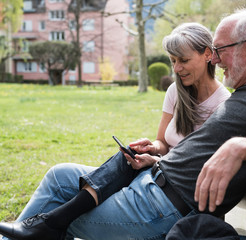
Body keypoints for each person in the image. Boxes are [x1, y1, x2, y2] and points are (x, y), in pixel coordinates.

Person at [0, 9, 246, 240]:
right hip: (149, 185)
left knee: (57, 217)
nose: (216, 60)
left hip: (159, 209)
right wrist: (156, 158)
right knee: (59, 177)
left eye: (221, 50)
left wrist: (243, 147)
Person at [0, 23, 230, 240]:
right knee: (58, 176)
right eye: (173, 61)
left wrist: (157, 160)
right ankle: (26, 230)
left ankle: (34, 229)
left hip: (168, 202)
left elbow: (199, 172)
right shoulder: (176, 91)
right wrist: (153, 148)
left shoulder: (224, 107)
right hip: (150, 179)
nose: (177, 68)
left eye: (184, 60)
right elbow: (164, 142)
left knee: (59, 216)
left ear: (208, 54)